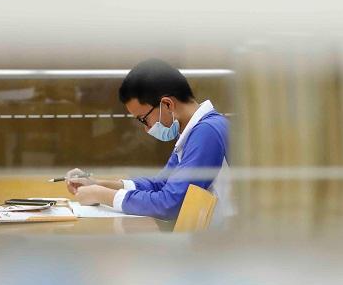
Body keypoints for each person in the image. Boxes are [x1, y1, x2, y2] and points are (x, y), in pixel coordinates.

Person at [66, 58, 232, 222]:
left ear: (167, 104)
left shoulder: (207, 131)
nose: (146, 129)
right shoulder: (192, 131)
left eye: (143, 119)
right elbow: (160, 185)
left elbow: (170, 204)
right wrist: (98, 184)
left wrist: (103, 195)